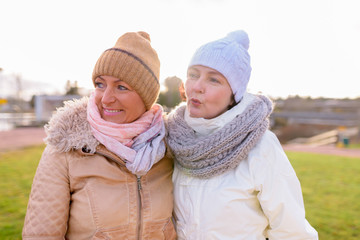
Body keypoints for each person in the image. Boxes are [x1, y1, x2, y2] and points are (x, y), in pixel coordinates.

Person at [165, 30, 318, 239]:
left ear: (233, 96)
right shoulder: (171, 138)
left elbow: (291, 230)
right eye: (193, 74)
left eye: (214, 80)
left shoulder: (260, 145)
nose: (197, 86)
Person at [23, 31, 176, 239]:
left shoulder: (171, 148)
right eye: (100, 84)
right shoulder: (66, 149)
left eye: (121, 87)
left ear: (146, 96)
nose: (106, 99)